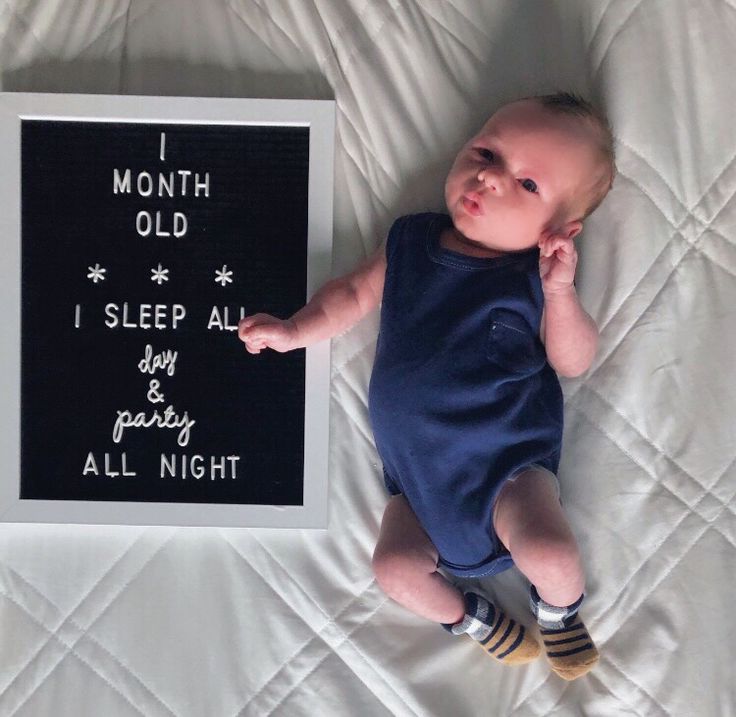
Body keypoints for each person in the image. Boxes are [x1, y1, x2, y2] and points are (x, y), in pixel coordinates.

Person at [239, 92, 616, 681]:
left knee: (549, 553)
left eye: (527, 186)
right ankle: (475, 621)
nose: (490, 178)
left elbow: (573, 360)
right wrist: (295, 331)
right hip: (416, 489)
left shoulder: (533, 279)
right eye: (486, 153)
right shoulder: (410, 241)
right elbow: (350, 296)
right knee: (394, 570)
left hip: (510, 472)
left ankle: (559, 612)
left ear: (560, 230)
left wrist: (562, 292)